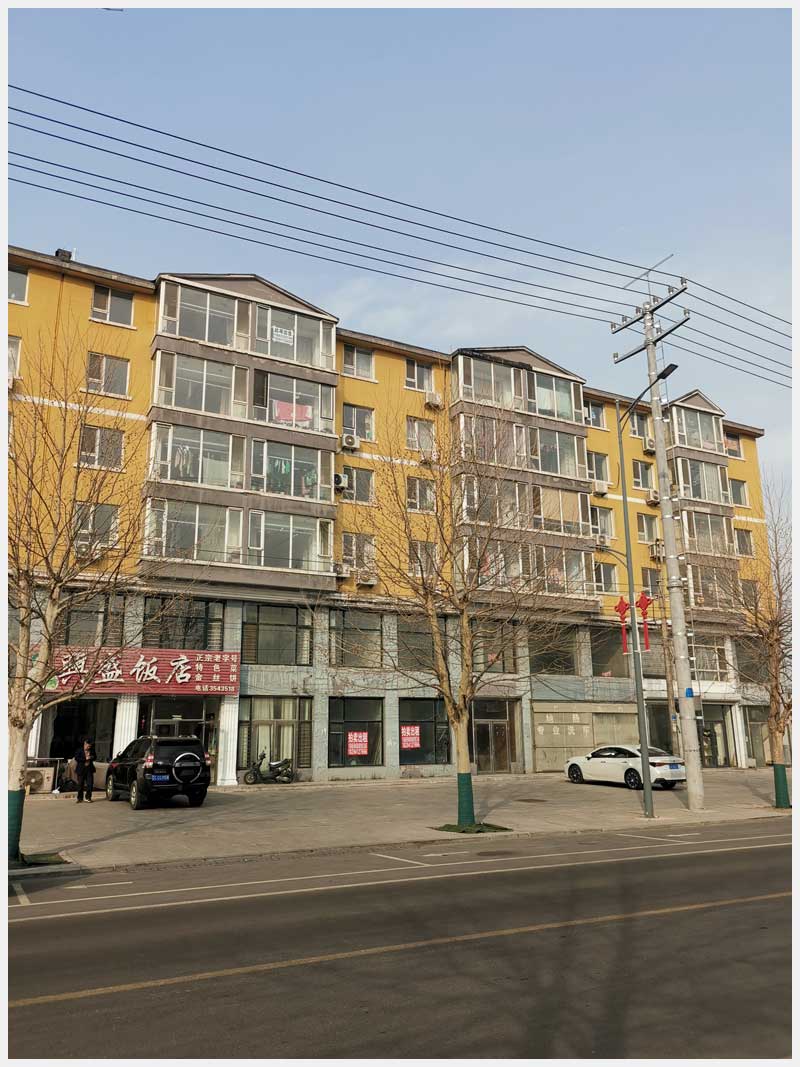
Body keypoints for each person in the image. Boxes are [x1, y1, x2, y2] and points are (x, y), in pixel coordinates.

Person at [74, 737, 96, 803]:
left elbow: (95, 757)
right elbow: (76, 758)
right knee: (80, 784)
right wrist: (85, 759)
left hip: (89, 769)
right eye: (88, 746)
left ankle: (88, 797)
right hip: (81, 769)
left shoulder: (92, 750)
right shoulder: (79, 750)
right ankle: (80, 798)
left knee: (90, 784)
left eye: (90, 746)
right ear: (85, 744)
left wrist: (91, 757)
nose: (89, 747)